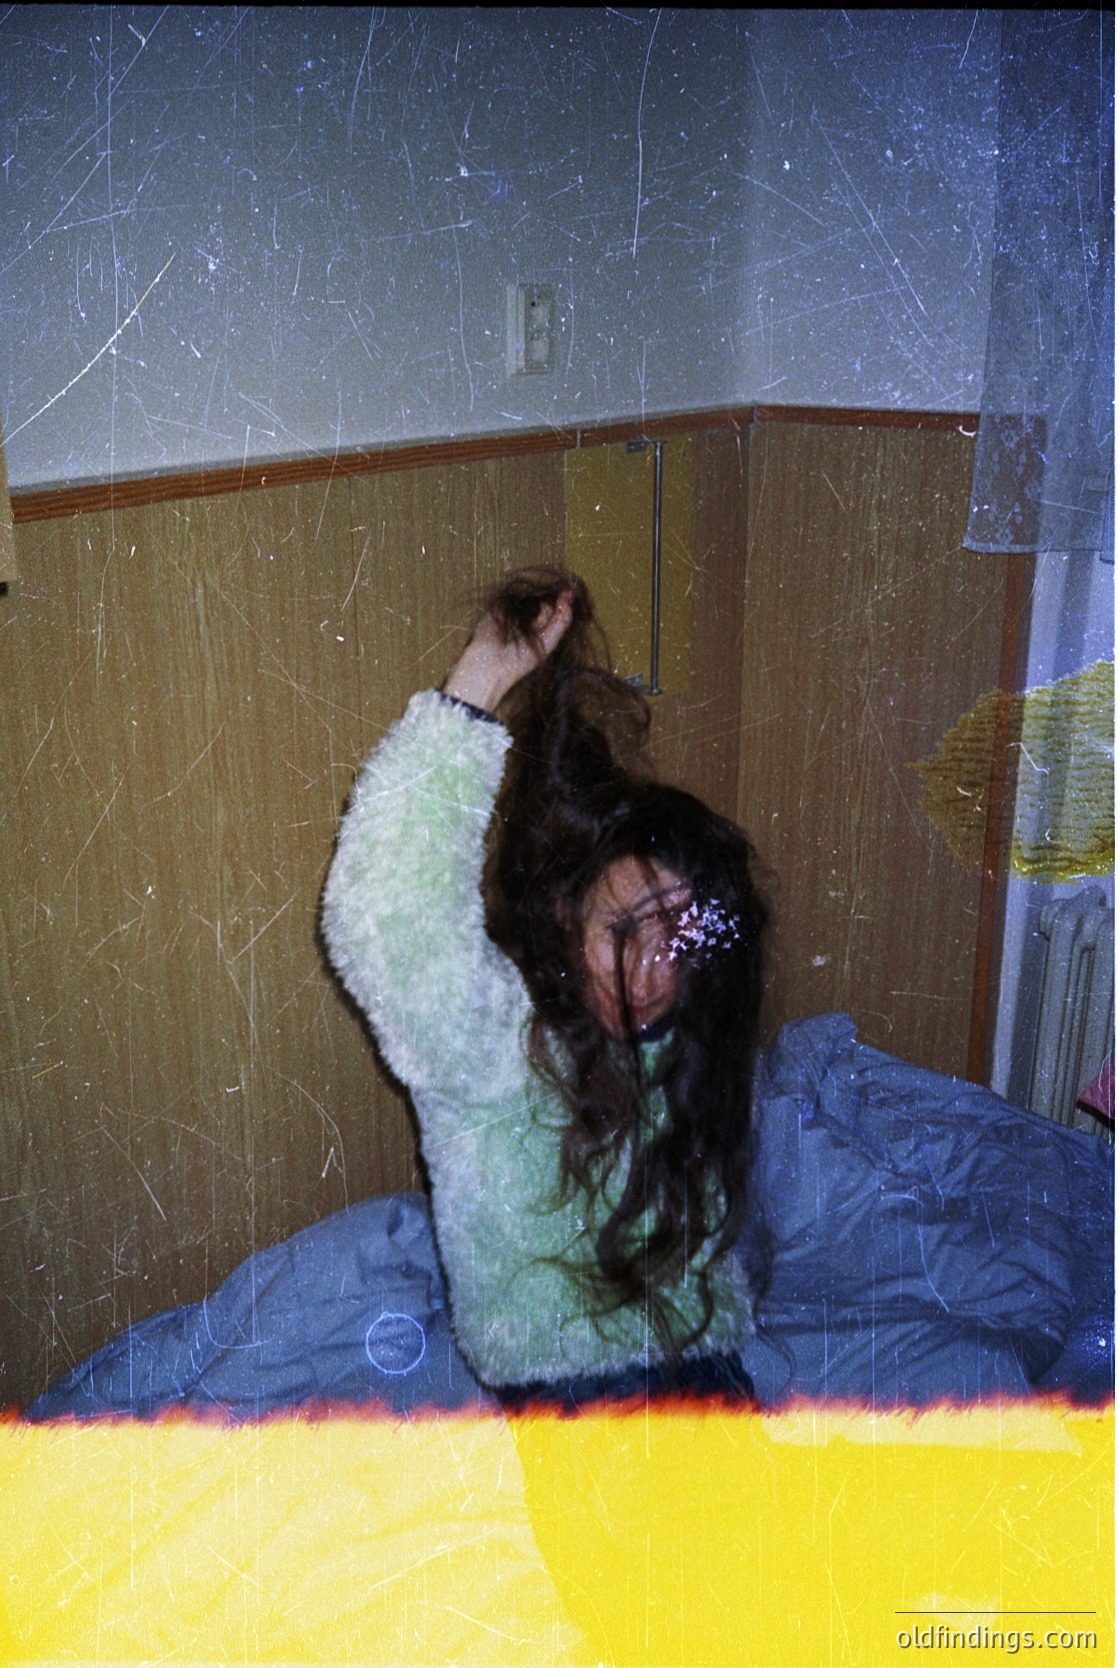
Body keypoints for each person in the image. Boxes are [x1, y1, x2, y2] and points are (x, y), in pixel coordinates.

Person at [320, 569, 769, 1408]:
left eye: (683, 934)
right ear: (565, 918)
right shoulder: (496, 1041)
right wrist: (481, 682)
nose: (656, 974)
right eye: (623, 935)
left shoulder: (693, 1033)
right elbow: (385, 916)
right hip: (574, 1386)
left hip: (703, 1366)